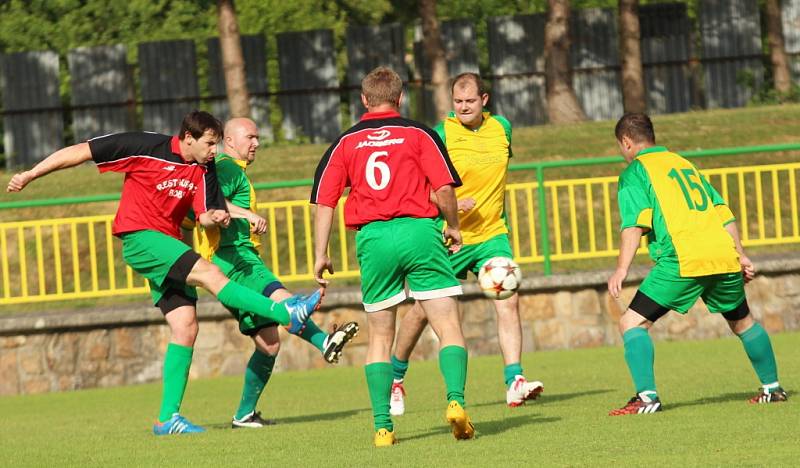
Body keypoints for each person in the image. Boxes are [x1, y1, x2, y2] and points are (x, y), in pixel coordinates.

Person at [5, 110, 322, 435]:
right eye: (210, 144)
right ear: (188, 138)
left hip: (168, 245)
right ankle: (286, 311)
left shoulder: (205, 169)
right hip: (140, 236)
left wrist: (219, 218)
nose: (215, 151)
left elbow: (204, 216)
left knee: (186, 327)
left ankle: (166, 419)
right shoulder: (144, 146)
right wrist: (31, 173)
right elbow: (81, 152)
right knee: (212, 275)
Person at [311, 67, 474, 447]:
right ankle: (455, 401)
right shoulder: (420, 133)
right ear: (399, 99)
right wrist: (452, 225)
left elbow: (324, 201)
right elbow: (445, 187)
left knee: (380, 336)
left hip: (374, 239)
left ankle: (383, 426)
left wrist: (322, 253)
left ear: (364, 100)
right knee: (447, 324)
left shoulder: (345, 142)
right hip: (419, 231)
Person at [607, 113, 787, 415]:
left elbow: (633, 225)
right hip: (722, 254)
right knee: (743, 322)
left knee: (631, 323)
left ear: (626, 142)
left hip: (683, 259)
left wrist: (622, 268)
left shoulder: (636, 171)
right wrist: (740, 255)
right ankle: (773, 388)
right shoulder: (684, 164)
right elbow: (722, 211)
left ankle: (647, 398)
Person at [186, 117, 359, 429]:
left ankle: (244, 415)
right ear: (229, 141)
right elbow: (209, 202)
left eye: (257, 136)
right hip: (234, 259)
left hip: (240, 257)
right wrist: (247, 214)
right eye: (249, 137)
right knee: (284, 301)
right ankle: (323, 342)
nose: (256, 143)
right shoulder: (224, 167)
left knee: (269, 343)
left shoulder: (232, 169)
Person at [388, 73, 544, 416]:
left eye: (469, 102)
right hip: (448, 236)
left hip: (491, 234)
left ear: (484, 100)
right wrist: (449, 205)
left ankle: (514, 380)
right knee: (419, 311)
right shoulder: (440, 134)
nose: (463, 108)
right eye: (457, 102)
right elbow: (414, 187)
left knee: (508, 298)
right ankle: (396, 377)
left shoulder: (502, 127)